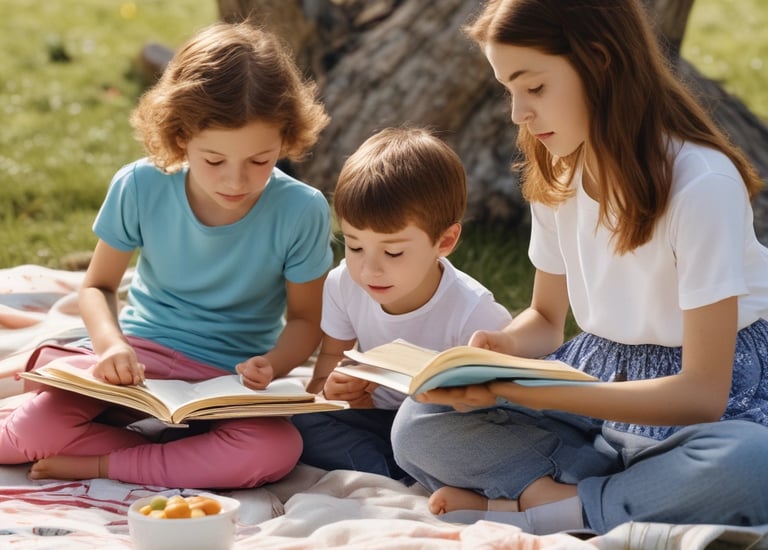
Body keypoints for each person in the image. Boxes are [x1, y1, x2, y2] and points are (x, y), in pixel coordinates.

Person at [391, 0, 768, 536]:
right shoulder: (559, 173)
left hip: (717, 400)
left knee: (753, 463)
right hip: (600, 375)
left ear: (600, 62)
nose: (518, 113)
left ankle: (553, 507)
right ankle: (619, 494)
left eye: (535, 88)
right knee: (418, 425)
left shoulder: (701, 184)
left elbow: (703, 394)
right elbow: (546, 319)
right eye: (509, 90)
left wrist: (519, 393)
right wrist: (497, 354)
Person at [0, 21, 333, 489]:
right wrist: (111, 346)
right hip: (135, 360)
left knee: (276, 450)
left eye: (261, 160)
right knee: (27, 434)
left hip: (229, 382)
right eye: (214, 160)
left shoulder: (302, 209)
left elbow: (306, 320)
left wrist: (274, 364)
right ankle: (178, 457)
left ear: (286, 137)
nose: (236, 182)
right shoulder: (141, 183)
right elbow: (97, 286)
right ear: (180, 138)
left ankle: (106, 462)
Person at [292, 127, 512, 481]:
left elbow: (505, 410)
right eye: (355, 246)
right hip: (379, 421)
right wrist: (335, 388)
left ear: (445, 241)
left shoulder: (477, 313)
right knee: (302, 422)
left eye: (393, 251)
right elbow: (330, 363)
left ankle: (406, 469)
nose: (369, 269)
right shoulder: (343, 284)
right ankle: (402, 474)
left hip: (439, 428)